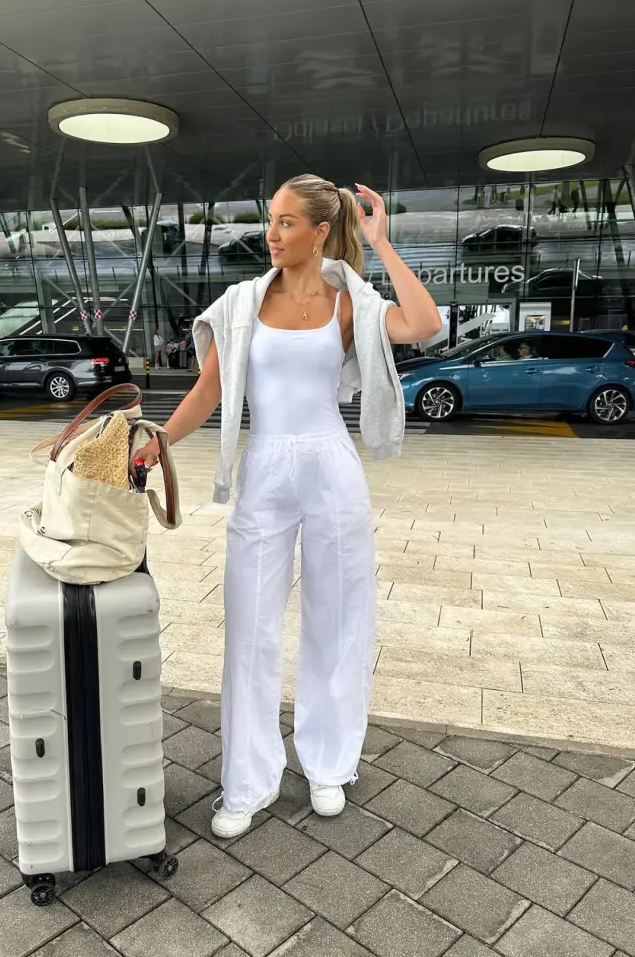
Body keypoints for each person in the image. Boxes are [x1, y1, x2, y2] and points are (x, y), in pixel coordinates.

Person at [132, 175, 440, 838]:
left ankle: (329, 765)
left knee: (338, 624)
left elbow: (424, 323)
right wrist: (157, 444)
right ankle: (247, 781)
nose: (271, 234)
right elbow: (208, 393)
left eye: (286, 222)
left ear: (320, 232)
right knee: (249, 633)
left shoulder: (349, 302)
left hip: (332, 469)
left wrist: (382, 246)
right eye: (269, 221)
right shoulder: (242, 303)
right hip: (265, 472)